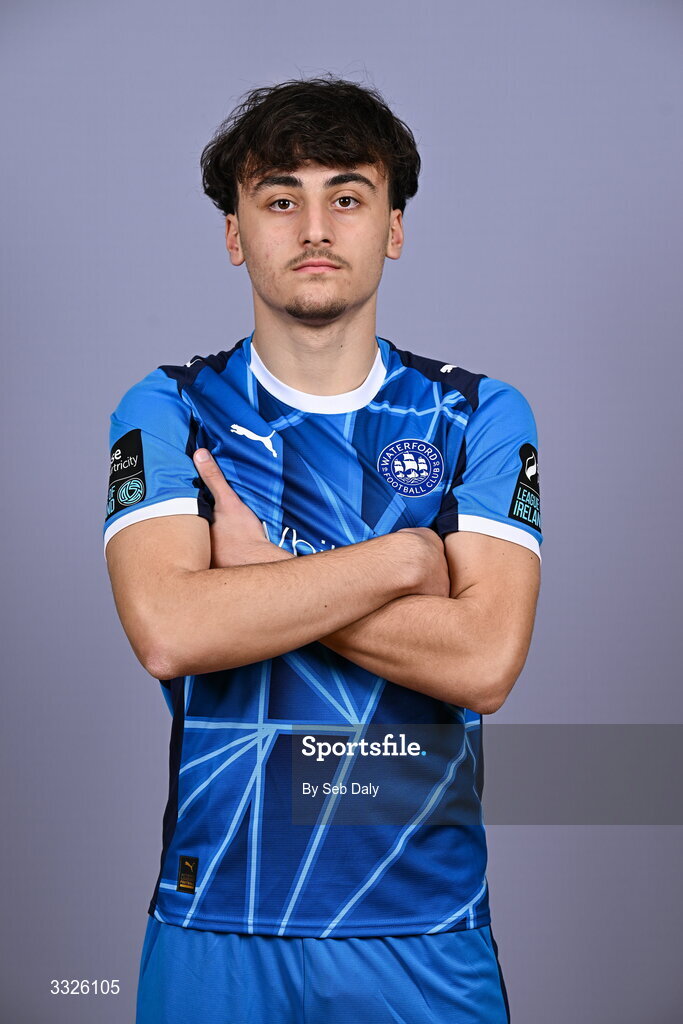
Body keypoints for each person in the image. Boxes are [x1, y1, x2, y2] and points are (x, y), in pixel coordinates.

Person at [103, 75, 542, 1024]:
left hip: (423, 926)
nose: (314, 227)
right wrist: (399, 562)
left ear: (392, 227)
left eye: (347, 196)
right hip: (217, 916)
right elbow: (172, 631)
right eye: (278, 199)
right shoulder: (171, 407)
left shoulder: (476, 414)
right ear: (234, 234)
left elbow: (483, 660)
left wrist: (261, 581)